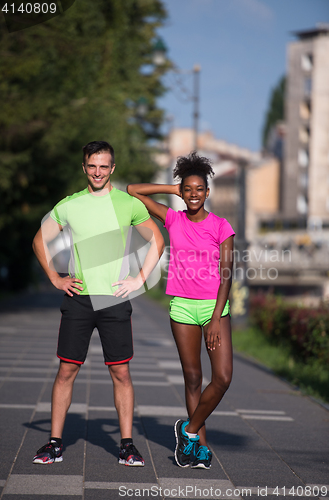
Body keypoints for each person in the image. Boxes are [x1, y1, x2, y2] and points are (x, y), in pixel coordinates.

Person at [32, 140, 164, 466]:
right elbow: (39, 239)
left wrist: (139, 279)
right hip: (78, 297)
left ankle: (127, 445)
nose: (98, 172)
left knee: (121, 373)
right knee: (66, 371)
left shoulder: (127, 204)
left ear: (112, 169)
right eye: (92, 166)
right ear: (84, 168)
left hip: (114, 299)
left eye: (104, 166)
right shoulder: (70, 205)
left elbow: (157, 240)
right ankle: (55, 442)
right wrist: (55, 277)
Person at [127, 151, 234, 470]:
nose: (193, 194)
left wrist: (216, 317)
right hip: (182, 308)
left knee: (223, 378)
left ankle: (187, 430)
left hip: (214, 308)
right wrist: (173, 189)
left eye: (199, 188)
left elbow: (227, 275)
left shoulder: (221, 226)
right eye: (187, 189)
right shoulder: (173, 218)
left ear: (208, 191)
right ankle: (198, 447)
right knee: (192, 378)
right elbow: (133, 189)